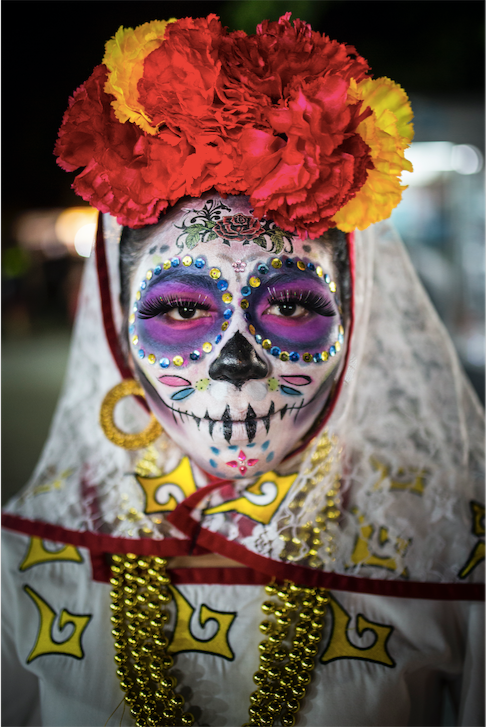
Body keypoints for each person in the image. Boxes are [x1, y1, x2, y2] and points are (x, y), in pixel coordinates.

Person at [2, 13, 484, 727]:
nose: (233, 365)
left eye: (289, 302)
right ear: (116, 331)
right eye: (180, 310)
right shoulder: (26, 560)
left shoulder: (446, 552)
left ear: (356, 320)